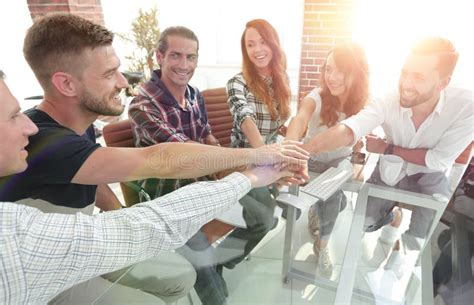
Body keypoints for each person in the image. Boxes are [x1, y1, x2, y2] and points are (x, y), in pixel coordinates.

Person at [0, 13, 309, 304]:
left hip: (84, 240)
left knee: (259, 218)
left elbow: (90, 178)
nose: (123, 82)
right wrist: (257, 155)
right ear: (66, 83)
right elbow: (162, 159)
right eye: (109, 73)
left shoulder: (76, 128)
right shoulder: (46, 141)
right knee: (184, 270)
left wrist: (118, 212)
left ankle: (213, 263)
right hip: (48, 271)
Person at [302, 37, 473, 273]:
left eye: (419, 77)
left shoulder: (466, 106)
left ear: (443, 83)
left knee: (418, 241)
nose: (406, 84)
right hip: (390, 171)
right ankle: (392, 216)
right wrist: (302, 151)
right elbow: (352, 127)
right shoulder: (389, 99)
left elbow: (438, 160)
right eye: (405, 73)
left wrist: (387, 149)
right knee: (366, 222)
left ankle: (399, 250)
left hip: (429, 177)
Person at [128, 26, 232, 305]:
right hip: (168, 199)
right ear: (159, 56)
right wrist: (229, 161)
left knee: (262, 214)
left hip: (202, 185)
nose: (184, 65)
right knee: (202, 258)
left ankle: (219, 265)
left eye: (191, 57)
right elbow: (185, 154)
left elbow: (206, 132)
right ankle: (216, 294)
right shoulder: (143, 105)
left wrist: (216, 148)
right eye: (176, 55)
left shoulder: (195, 94)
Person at [285, 42, 370, 276]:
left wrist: (357, 166)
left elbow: (360, 142)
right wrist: (290, 149)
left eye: (341, 71)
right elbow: (299, 120)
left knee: (336, 201)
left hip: (339, 164)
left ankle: (318, 221)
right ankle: (322, 247)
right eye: (328, 69)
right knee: (334, 201)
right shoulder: (317, 97)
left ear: (356, 73)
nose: (332, 77)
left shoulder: (364, 104)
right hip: (311, 161)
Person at [216, 19, 292, 276]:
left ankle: (232, 250)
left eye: (262, 41)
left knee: (280, 212)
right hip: (242, 161)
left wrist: (288, 144)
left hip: (269, 158)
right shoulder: (237, 82)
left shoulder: (280, 79)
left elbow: (278, 122)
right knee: (265, 220)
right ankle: (215, 263)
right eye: (250, 44)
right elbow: (245, 117)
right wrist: (264, 154)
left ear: (273, 44)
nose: (257, 49)